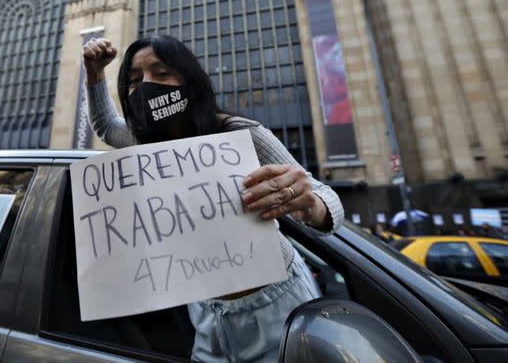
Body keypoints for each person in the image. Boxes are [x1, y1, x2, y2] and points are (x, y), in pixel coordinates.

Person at [82, 35, 344, 362]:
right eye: (135, 80)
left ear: (188, 81)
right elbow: (106, 126)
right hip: (206, 312)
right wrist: (94, 73)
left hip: (277, 305)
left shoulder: (240, 133)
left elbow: (326, 198)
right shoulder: (143, 145)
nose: (147, 86)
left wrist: (309, 204)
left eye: (161, 74)